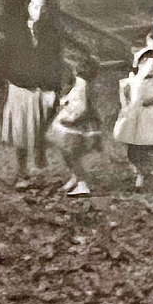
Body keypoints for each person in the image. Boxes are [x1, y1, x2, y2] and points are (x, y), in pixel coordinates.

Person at [0, 0, 63, 189]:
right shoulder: (15, 32)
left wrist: (53, 89)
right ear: (27, 8)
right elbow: (2, 60)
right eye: (35, 7)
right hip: (20, 87)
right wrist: (7, 82)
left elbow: (55, 64)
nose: (39, 11)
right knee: (21, 131)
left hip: (43, 89)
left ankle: (39, 162)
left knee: (40, 129)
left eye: (43, 8)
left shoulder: (51, 34)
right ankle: (21, 171)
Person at [115, 49, 153, 187]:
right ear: (140, 65)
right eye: (149, 65)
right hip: (135, 115)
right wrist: (125, 107)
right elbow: (125, 96)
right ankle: (140, 174)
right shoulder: (131, 81)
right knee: (133, 149)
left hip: (152, 115)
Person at [48, 53, 103, 197]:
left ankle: (82, 183)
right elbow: (74, 98)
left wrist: (70, 118)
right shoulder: (80, 83)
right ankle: (75, 177)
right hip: (74, 123)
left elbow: (82, 106)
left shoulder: (82, 84)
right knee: (67, 152)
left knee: (73, 155)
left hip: (77, 126)